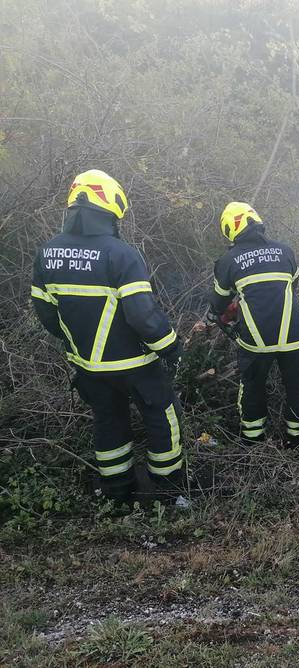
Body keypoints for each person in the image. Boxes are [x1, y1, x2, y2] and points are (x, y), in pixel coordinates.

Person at [30, 169, 184, 502]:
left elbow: (46, 314)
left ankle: (118, 492)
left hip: (88, 367)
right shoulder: (121, 253)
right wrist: (171, 346)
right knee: (161, 414)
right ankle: (168, 489)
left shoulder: (47, 253)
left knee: (109, 422)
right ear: (110, 206)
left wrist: (79, 345)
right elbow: (142, 315)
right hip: (136, 364)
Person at [208, 203, 299, 449]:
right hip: (295, 337)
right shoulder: (285, 251)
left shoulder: (227, 260)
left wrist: (228, 313)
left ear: (228, 230)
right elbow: (292, 287)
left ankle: (253, 445)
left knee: (253, 390)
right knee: (298, 389)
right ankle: (297, 443)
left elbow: (218, 303)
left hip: (256, 342)